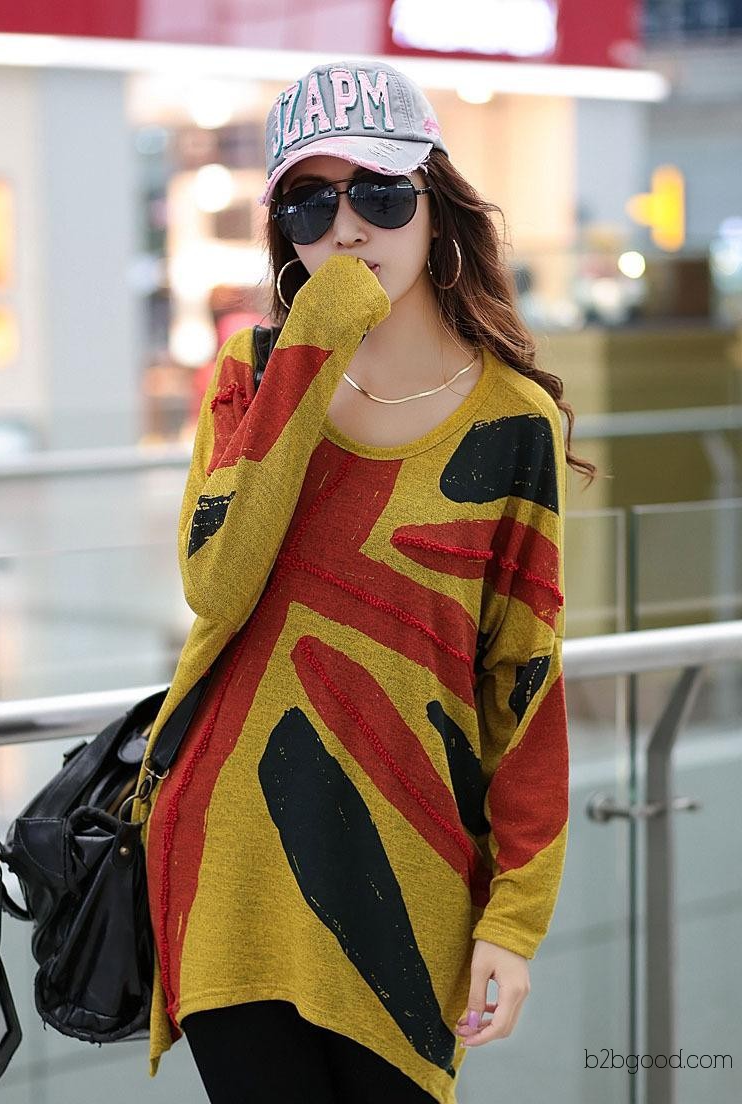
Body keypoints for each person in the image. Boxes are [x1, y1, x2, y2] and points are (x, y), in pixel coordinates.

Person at [136, 59, 597, 1104]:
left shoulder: (512, 421)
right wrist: (313, 341)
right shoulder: (251, 378)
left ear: (436, 206)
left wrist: (514, 918)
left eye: (379, 194)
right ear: (283, 236)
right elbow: (217, 582)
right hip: (229, 871)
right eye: (309, 205)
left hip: (408, 873)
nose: (346, 230)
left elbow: (524, 684)